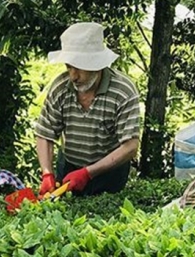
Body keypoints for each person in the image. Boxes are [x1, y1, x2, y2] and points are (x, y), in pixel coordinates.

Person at [35, 22, 142, 197]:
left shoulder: (123, 91)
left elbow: (130, 146)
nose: (73, 76)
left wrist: (88, 172)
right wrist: (47, 173)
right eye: (69, 67)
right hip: (69, 168)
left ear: (96, 64)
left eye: (79, 68)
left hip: (110, 173)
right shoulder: (61, 88)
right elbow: (45, 133)